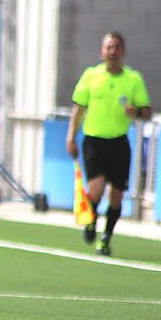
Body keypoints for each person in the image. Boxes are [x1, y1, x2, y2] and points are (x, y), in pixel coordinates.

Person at [66, 32, 151, 256]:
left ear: (123, 51)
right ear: (101, 51)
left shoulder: (133, 79)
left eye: (116, 47)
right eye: (108, 47)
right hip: (94, 141)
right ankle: (91, 219)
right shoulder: (91, 76)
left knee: (116, 194)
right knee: (96, 188)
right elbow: (78, 109)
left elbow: (147, 111)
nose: (112, 51)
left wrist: (138, 111)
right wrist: (70, 137)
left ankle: (106, 238)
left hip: (119, 142)